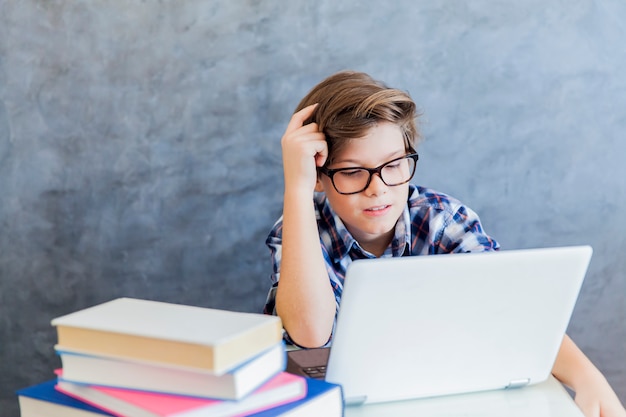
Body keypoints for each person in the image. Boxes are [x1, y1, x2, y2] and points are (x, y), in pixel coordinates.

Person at [263, 70, 626, 417]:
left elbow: (510, 306)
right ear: (318, 176)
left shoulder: (442, 219)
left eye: (393, 165)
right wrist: (296, 186)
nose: (379, 188)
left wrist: (588, 378)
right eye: (352, 171)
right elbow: (310, 334)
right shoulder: (300, 229)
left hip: (433, 392)